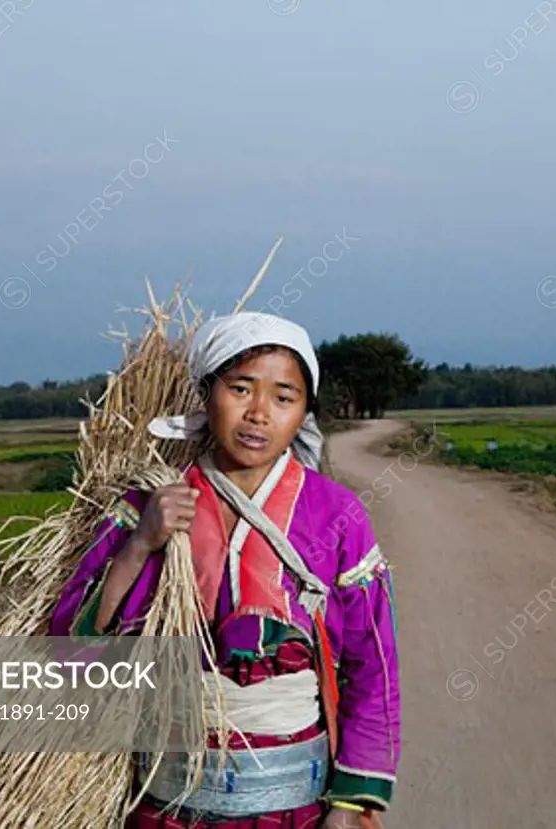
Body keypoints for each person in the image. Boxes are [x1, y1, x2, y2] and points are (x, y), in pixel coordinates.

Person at [49, 312, 401, 829]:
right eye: (240, 389)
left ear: (303, 411)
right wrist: (141, 544)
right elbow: (71, 653)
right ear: (206, 394)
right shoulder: (147, 505)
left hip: (293, 809)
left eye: (284, 397)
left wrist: (351, 804)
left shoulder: (337, 514)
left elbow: (375, 666)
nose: (259, 413)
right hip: (167, 806)